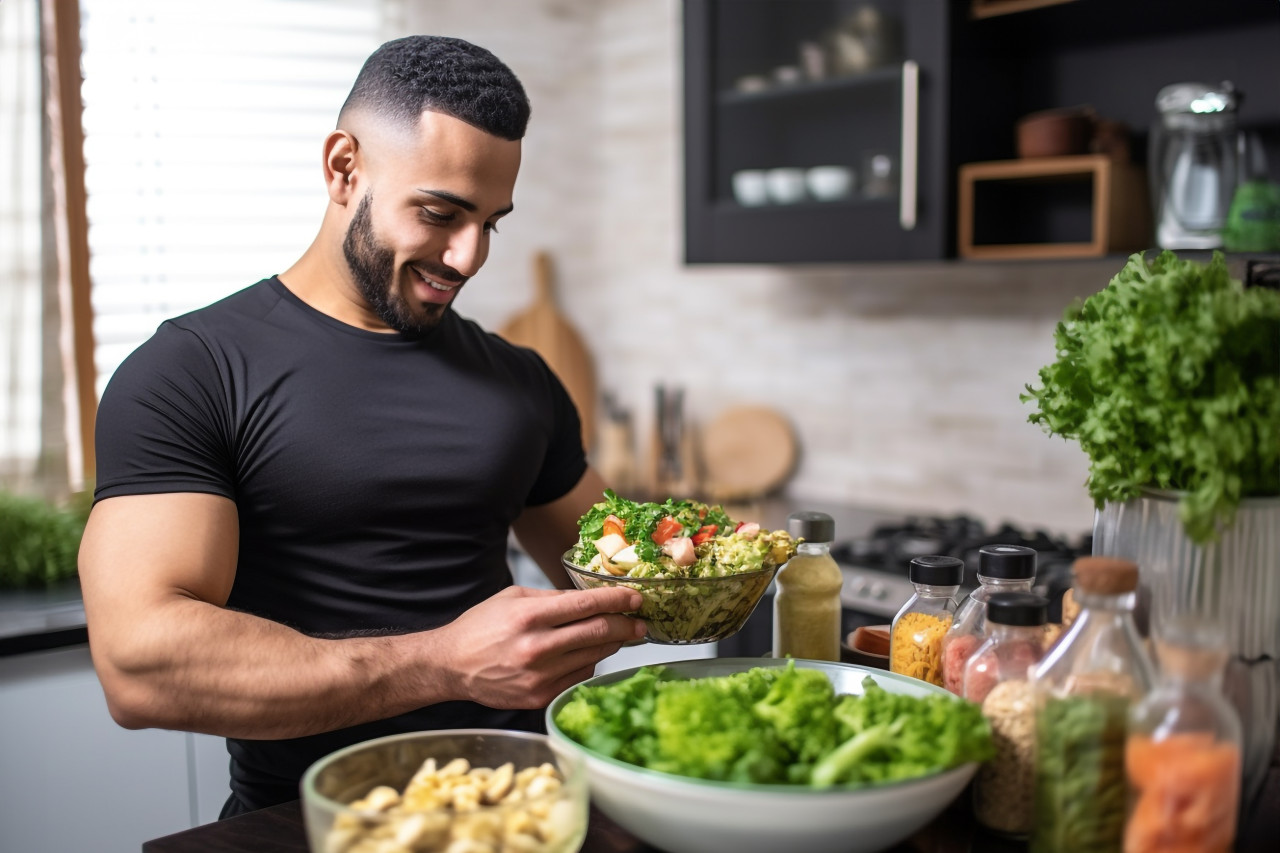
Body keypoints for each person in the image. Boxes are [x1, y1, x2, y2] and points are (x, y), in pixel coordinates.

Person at [77, 34, 645, 817]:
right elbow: (139, 665)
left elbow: (625, 574)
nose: (469, 256)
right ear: (344, 167)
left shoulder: (521, 380)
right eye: (440, 213)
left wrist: (727, 561)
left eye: (491, 222)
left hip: (528, 809)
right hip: (308, 822)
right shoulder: (191, 369)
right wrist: (445, 664)